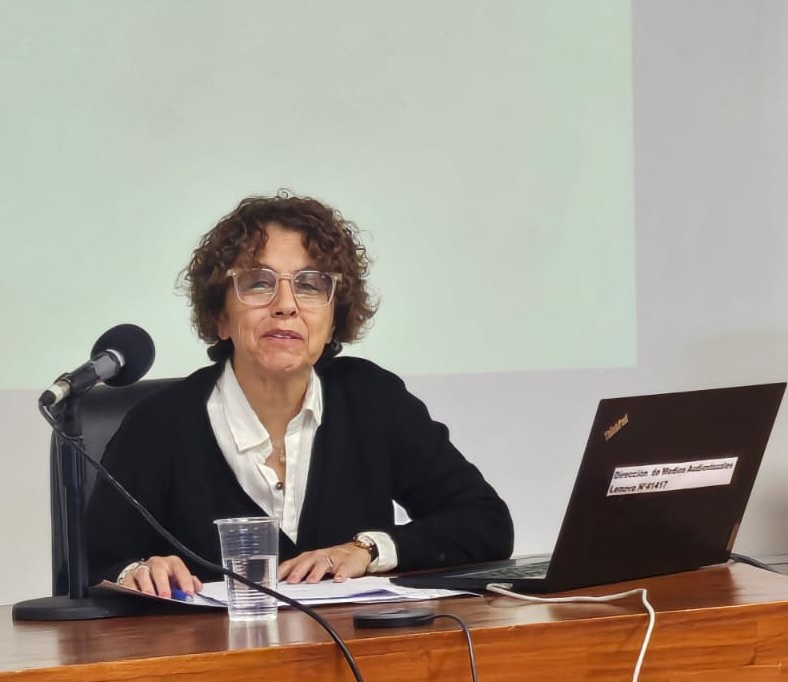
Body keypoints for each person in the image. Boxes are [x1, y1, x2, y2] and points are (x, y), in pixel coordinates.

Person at [86, 193, 513, 597]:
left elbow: (485, 522)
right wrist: (137, 571)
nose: (286, 304)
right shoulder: (158, 426)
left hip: (353, 649)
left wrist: (367, 550)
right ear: (220, 317)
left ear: (333, 319)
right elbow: (91, 567)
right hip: (209, 650)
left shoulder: (372, 401)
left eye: (310, 285)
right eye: (258, 283)